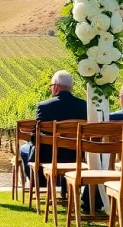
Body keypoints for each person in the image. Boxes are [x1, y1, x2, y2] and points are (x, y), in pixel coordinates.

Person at [20, 71, 89, 209]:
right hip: (74, 156)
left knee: (24, 149)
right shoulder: (84, 106)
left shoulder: (44, 106)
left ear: (56, 86)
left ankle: (40, 185)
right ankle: (64, 189)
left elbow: (36, 137)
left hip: (48, 157)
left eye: (51, 85)